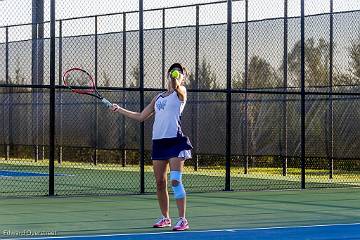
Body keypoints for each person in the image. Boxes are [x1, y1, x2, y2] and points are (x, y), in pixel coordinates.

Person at [111, 63, 193, 231]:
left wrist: (175, 77)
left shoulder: (181, 92)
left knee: (175, 180)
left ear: (183, 77)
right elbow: (141, 116)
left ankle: (183, 219)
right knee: (160, 182)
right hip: (159, 143)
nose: (175, 73)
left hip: (175, 142)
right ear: (167, 74)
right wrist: (119, 109)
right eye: (172, 70)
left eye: (179, 72)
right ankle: (165, 218)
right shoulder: (158, 98)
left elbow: (175, 85)